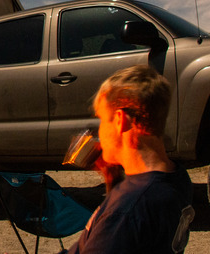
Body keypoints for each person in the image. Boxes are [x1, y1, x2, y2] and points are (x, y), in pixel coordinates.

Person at [66, 65, 195, 254]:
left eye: (102, 119)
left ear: (120, 120)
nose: (100, 132)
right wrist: (114, 182)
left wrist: (117, 200)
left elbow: (126, 219)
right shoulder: (178, 178)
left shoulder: (126, 211)